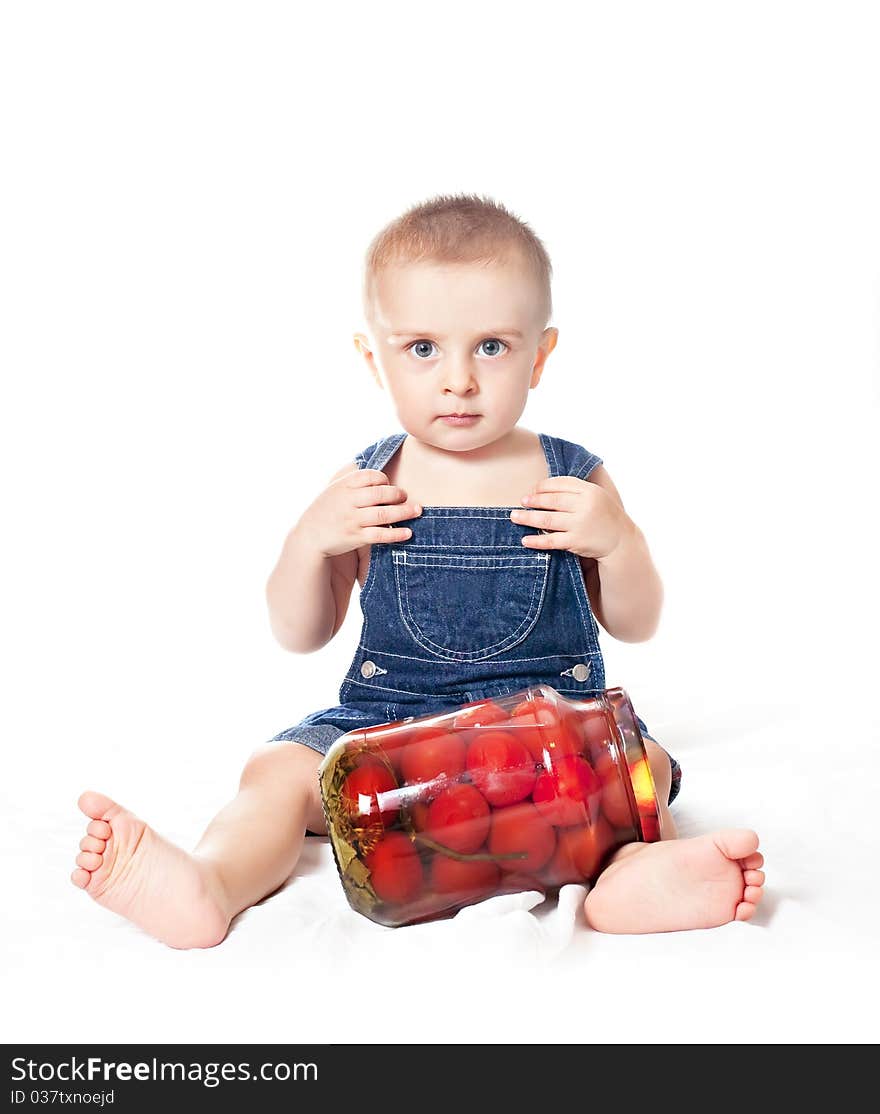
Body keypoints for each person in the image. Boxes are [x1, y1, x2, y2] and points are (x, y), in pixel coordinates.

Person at [71, 193, 765, 947]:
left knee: (643, 768)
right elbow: (300, 632)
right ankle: (213, 879)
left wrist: (619, 543)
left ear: (541, 352)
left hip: (546, 733)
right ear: (375, 357)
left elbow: (636, 620)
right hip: (384, 732)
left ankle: (630, 877)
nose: (459, 379)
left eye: (492, 347)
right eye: (423, 348)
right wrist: (309, 542)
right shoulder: (367, 484)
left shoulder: (574, 477)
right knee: (276, 772)